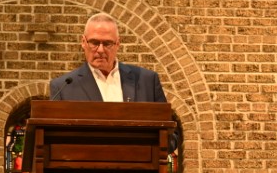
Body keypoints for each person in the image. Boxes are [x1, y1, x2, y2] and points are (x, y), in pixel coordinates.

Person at [49, 12, 179, 149]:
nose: (100, 50)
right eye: (94, 42)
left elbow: (171, 137)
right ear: (83, 42)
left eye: (107, 43)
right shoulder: (64, 87)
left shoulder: (147, 81)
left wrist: (150, 148)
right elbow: (54, 141)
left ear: (117, 44)